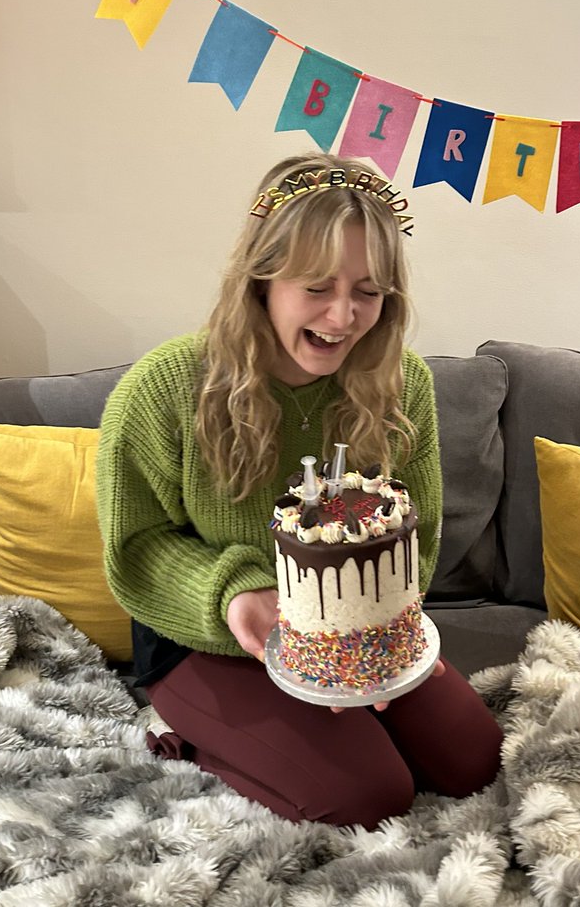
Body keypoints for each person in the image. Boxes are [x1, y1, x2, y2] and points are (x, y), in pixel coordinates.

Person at [95, 151, 503, 829]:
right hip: (203, 637)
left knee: (473, 762)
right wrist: (233, 595)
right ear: (262, 280)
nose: (343, 317)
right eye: (317, 286)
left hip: (352, 634)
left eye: (368, 292)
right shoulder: (164, 388)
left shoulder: (405, 387)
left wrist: (374, 638)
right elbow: (135, 549)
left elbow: (416, 531)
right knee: (370, 795)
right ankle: (184, 733)